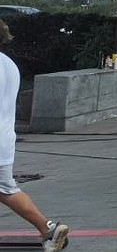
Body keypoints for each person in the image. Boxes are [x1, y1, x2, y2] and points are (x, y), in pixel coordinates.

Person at [0, 20, 70, 252]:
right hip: (5, 139)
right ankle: (48, 229)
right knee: (6, 189)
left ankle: (48, 228)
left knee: (6, 189)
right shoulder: (8, 64)